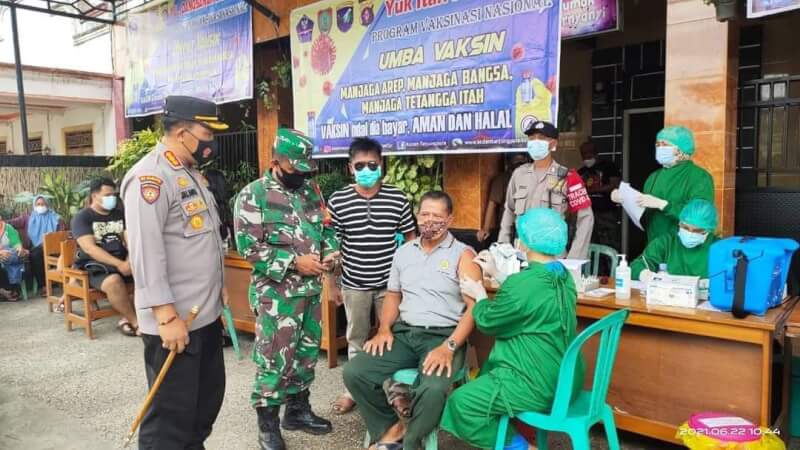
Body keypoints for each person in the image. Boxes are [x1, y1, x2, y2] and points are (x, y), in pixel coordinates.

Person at [121, 95, 229, 450]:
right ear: (183, 132)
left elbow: (206, 243)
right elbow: (146, 252)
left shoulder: (190, 175)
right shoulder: (150, 177)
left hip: (204, 317)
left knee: (202, 409)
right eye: (207, 132)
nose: (212, 140)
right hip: (176, 324)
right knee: (169, 423)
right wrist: (166, 316)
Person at [343, 191, 482, 450]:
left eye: (438, 216)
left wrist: (449, 347)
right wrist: (384, 329)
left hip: (444, 336)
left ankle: (407, 442)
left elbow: (474, 309)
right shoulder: (404, 252)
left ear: (450, 219)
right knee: (356, 372)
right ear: (417, 217)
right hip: (405, 333)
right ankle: (390, 428)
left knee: (432, 389)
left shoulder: (464, 255)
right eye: (425, 214)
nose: (430, 221)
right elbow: (393, 295)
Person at [442, 208, 585, 450]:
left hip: (535, 383)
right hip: (566, 378)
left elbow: (489, 321)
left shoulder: (522, 284)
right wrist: (498, 275)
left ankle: (520, 447)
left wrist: (480, 296)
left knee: (461, 403)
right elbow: (529, 301)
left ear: (524, 243)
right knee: (488, 372)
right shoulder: (564, 276)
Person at [234, 128, 340, 450]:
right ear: (275, 161)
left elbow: (326, 226)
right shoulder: (253, 196)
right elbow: (248, 247)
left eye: (305, 169)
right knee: (274, 359)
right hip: (276, 297)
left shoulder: (311, 190)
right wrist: (295, 262)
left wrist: (331, 252)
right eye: (295, 169)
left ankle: (297, 411)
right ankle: (267, 425)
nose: (301, 175)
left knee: (306, 354)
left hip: (309, 291)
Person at [327, 137, 417, 415]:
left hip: (391, 286)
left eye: (372, 164)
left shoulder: (397, 197)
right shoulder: (338, 200)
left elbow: (411, 238)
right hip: (354, 283)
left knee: (395, 337)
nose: (366, 169)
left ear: (382, 165)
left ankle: (398, 393)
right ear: (350, 167)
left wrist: (409, 279)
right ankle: (355, 390)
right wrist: (331, 284)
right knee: (356, 337)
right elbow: (332, 245)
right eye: (360, 165)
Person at [499, 121, 594, 259]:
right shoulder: (519, 174)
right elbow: (509, 210)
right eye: (532, 138)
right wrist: (503, 247)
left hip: (552, 259)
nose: (535, 142)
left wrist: (574, 259)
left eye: (541, 138)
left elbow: (586, 218)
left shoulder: (568, 177)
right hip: (521, 256)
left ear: (553, 144)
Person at [612, 125, 714, 243]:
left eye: (665, 144)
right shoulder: (653, 177)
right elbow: (645, 217)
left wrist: (663, 205)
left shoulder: (699, 177)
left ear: (681, 149)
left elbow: (700, 216)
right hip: (655, 246)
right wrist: (626, 199)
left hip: (683, 247)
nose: (660, 148)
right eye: (658, 145)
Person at [71, 178, 138, 337]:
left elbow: (130, 240)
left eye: (114, 195)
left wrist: (129, 259)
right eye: (107, 195)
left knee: (146, 273)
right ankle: (135, 321)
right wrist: (120, 264)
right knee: (113, 281)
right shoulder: (82, 218)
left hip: (123, 260)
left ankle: (125, 319)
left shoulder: (121, 214)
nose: (112, 198)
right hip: (96, 266)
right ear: (94, 196)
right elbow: (90, 248)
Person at [632, 199, 719, 282]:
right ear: (679, 222)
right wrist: (644, 274)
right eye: (685, 227)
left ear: (709, 230)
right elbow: (636, 266)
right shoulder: (666, 243)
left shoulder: (719, 248)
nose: (690, 233)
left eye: (697, 231)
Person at [9, 195, 65, 292]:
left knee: (41, 253)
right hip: (36, 249)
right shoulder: (28, 218)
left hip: (54, 248)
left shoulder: (55, 217)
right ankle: (44, 286)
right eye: (38, 204)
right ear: (34, 205)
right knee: (36, 254)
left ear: (47, 205)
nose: (40, 206)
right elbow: (12, 222)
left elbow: (62, 234)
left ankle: (56, 283)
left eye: (43, 204)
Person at [476, 153, 530, 250]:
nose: (519, 166)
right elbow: (492, 203)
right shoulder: (502, 179)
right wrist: (486, 228)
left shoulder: (533, 178)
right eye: (516, 162)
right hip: (509, 226)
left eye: (522, 162)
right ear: (509, 164)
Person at [578, 140, 621, 251]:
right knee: (589, 245)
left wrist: (593, 190)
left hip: (605, 212)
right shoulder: (581, 172)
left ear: (596, 153)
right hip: (586, 213)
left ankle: (611, 268)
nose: (586, 156)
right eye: (584, 154)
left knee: (609, 245)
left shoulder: (608, 166)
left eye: (589, 153)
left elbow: (615, 185)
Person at [0, 213, 26, 302]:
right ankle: (11, 290)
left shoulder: (8, 228)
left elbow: (16, 243)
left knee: (12, 255)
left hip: (10, 255)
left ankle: (7, 291)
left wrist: (19, 249)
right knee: (12, 258)